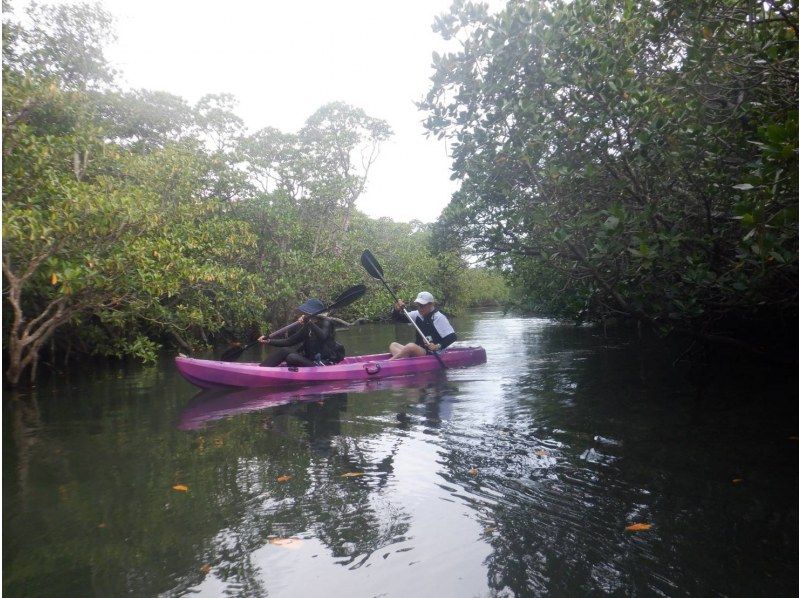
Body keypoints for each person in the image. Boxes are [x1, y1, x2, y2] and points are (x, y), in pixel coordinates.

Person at [258, 298, 346, 367]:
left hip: (323, 363)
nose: (303, 314)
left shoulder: (327, 323)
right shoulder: (308, 326)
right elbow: (289, 341)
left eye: (305, 312)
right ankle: (261, 369)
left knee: (291, 357)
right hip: (310, 360)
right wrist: (269, 341)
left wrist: (309, 322)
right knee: (285, 351)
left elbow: (323, 337)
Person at [389, 291, 456, 360]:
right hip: (419, 350)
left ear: (431, 304)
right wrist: (396, 310)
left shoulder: (438, 317)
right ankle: (405, 359)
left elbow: (452, 337)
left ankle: (390, 361)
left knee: (410, 346)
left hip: (433, 353)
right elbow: (398, 318)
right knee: (393, 345)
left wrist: (437, 346)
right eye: (418, 305)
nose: (420, 308)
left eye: (422, 306)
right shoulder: (417, 314)